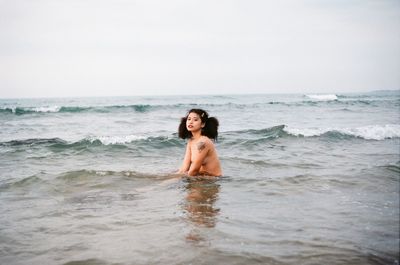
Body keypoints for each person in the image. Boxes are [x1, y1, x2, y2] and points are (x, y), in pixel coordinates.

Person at [177, 109, 222, 177]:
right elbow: (184, 168)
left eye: (195, 120)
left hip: (212, 181)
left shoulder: (203, 142)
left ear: (203, 124)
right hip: (201, 178)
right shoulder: (191, 141)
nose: (190, 122)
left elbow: (194, 170)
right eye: (189, 119)